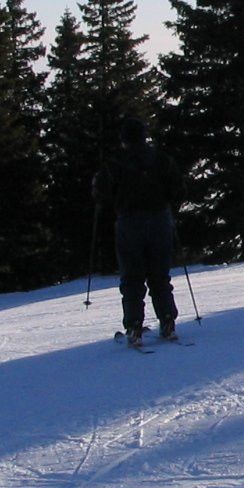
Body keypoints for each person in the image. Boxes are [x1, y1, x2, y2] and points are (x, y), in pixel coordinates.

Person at [93, 117, 183, 347]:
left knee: (132, 276)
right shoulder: (161, 159)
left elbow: (100, 192)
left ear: (124, 139)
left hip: (130, 222)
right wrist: (171, 210)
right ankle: (167, 320)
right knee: (159, 275)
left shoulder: (116, 162)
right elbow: (178, 188)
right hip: (160, 220)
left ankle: (134, 326)